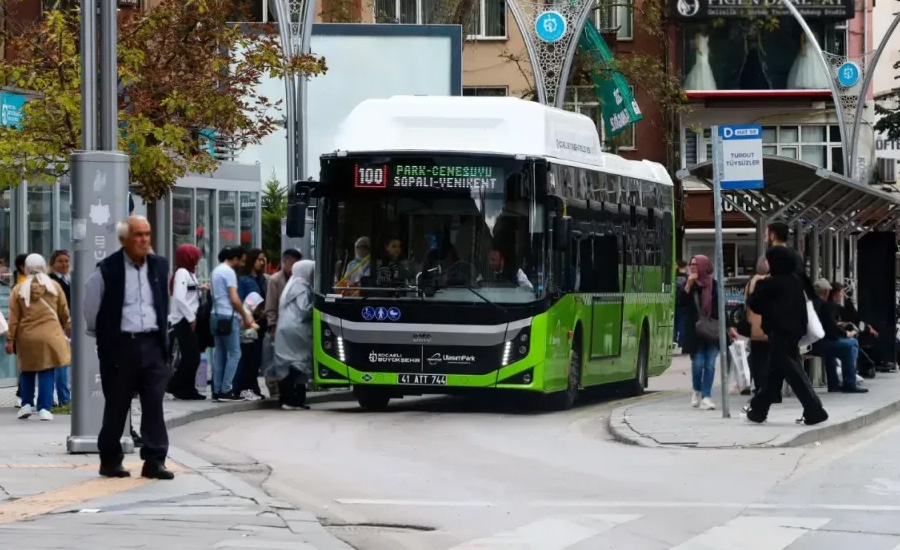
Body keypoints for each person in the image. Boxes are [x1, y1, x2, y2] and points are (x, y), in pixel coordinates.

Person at [83, 215, 174, 479]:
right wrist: (102, 336)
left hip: (153, 345)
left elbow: (161, 303)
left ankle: (155, 460)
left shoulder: (159, 266)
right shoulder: (108, 269)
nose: (144, 239)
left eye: (147, 234)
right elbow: (91, 305)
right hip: (121, 346)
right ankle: (110, 460)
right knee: (117, 405)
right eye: (138, 235)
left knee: (154, 403)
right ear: (124, 240)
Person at [744, 246, 828, 425]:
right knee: (774, 372)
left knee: (793, 371)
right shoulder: (796, 279)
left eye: (768, 259)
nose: (766, 263)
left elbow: (756, 304)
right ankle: (758, 410)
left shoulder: (773, 283)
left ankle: (815, 409)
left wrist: (756, 287)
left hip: (780, 332)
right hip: (795, 332)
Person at [7, 253, 70, 421]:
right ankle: (44, 408)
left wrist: (10, 339)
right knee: (47, 370)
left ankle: (26, 404)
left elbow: (14, 318)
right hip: (51, 335)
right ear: (44, 266)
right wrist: (68, 327)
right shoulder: (54, 286)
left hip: (26, 336)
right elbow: (64, 311)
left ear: (26, 268)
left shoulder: (19, 289)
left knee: (27, 370)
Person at [210, 246, 255, 401]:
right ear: (234, 258)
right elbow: (234, 299)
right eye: (241, 261)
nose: (242, 264)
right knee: (235, 353)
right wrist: (245, 315)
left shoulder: (216, 271)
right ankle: (226, 389)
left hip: (215, 315)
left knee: (220, 354)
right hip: (227, 316)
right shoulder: (229, 272)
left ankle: (217, 390)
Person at [269, 260, 315, 410]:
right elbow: (304, 309)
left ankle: (294, 400)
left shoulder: (291, 284)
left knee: (289, 364)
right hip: (297, 329)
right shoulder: (302, 286)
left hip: (285, 328)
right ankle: (290, 400)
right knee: (299, 363)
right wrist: (317, 306)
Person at [678, 255, 723, 411]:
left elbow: (721, 309)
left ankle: (706, 396)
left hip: (712, 331)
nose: (693, 267)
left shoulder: (715, 286)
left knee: (709, 364)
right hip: (696, 332)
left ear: (704, 266)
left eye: (696, 265)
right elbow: (681, 304)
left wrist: (729, 328)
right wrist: (688, 286)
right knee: (697, 364)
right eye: (691, 265)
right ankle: (697, 390)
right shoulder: (690, 285)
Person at [810, 278, 868, 393]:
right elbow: (830, 328)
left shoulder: (811, 303)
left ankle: (834, 383)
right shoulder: (824, 305)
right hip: (816, 343)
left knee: (835, 350)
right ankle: (850, 382)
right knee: (850, 344)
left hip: (809, 341)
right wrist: (846, 333)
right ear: (826, 292)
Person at [167, 244, 204, 401]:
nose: (198, 258)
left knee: (191, 356)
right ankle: (176, 385)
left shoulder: (190, 273)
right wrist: (191, 318)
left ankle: (186, 388)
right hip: (183, 320)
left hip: (188, 319)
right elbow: (180, 298)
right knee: (191, 356)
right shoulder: (182, 273)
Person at [263, 249, 302, 397]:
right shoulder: (275, 280)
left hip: (296, 329)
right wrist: (273, 327)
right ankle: (276, 390)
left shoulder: (299, 280)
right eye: (293, 263)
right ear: (285, 262)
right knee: (276, 361)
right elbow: (271, 307)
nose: (295, 267)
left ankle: (292, 392)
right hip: (280, 328)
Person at [235, 248, 267, 400]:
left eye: (263, 259)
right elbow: (240, 300)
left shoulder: (262, 279)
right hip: (247, 322)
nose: (262, 262)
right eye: (259, 259)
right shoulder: (244, 280)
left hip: (259, 322)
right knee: (247, 356)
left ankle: (252, 387)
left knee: (255, 357)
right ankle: (243, 387)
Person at [47, 249, 72, 407]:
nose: (64, 264)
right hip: (58, 325)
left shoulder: (68, 279)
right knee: (61, 361)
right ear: (53, 264)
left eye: (66, 261)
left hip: (67, 324)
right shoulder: (51, 281)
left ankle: (61, 396)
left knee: (64, 361)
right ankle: (63, 397)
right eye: (60, 261)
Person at [744, 256, 772, 398]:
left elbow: (746, 303)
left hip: (754, 325)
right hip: (766, 324)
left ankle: (759, 386)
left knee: (757, 358)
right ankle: (765, 388)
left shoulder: (751, 282)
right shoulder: (765, 281)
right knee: (766, 358)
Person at [673, 260, 689, 349]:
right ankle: (681, 342)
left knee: (674, 323)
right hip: (684, 304)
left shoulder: (674, 278)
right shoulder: (688, 278)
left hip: (674, 304)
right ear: (686, 267)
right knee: (682, 324)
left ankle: (674, 340)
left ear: (678, 267)